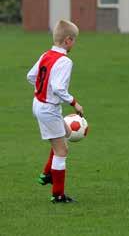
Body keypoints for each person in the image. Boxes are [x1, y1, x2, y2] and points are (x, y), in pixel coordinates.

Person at [27, 19, 84, 203]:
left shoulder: (46, 55)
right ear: (68, 40)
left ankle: (48, 173)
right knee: (62, 151)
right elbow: (59, 88)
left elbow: (31, 76)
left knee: (66, 132)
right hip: (48, 108)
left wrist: (42, 89)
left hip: (38, 103)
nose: (74, 43)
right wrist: (75, 103)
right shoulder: (65, 61)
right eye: (74, 40)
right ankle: (58, 194)